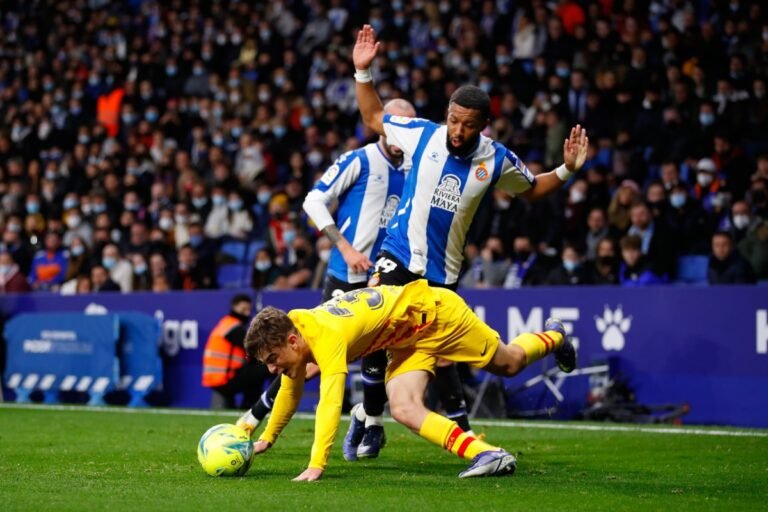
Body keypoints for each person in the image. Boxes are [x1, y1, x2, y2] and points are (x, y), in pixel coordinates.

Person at [350, 24, 587, 455]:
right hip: (398, 256)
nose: (457, 131)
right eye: (454, 120)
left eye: (468, 125)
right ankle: (370, 421)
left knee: (494, 362)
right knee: (372, 320)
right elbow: (372, 117)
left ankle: (553, 339)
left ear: (484, 125)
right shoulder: (422, 133)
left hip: (443, 277)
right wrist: (363, 73)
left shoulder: (495, 159)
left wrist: (567, 170)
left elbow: (533, 188)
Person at [242, 281, 576, 481]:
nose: (272, 369)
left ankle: (555, 337)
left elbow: (329, 402)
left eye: (272, 360)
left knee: (510, 363)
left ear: (292, 342)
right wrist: (268, 438)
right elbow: (291, 385)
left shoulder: (327, 336)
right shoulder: (296, 326)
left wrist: (316, 464)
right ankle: (489, 455)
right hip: (407, 340)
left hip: (439, 317)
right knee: (403, 407)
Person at [238, 99, 418, 461]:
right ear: (381, 124)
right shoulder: (360, 160)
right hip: (345, 271)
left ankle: (373, 424)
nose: (405, 132)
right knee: (306, 358)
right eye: (397, 123)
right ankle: (258, 416)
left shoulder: (416, 166)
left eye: (411, 125)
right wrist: (346, 247)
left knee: (378, 349)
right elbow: (313, 201)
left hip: (386, 272)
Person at [201, 294, 270, 409]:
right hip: (225, 378)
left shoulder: (225, 324)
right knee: (265, 367)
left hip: (219, 377)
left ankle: (250, 405)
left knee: (257, 370)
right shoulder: (233, 328)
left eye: (248, 310)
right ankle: (250, 407)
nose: (247, 313)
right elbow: (253, 348)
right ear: (234, 307)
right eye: (243, 309)